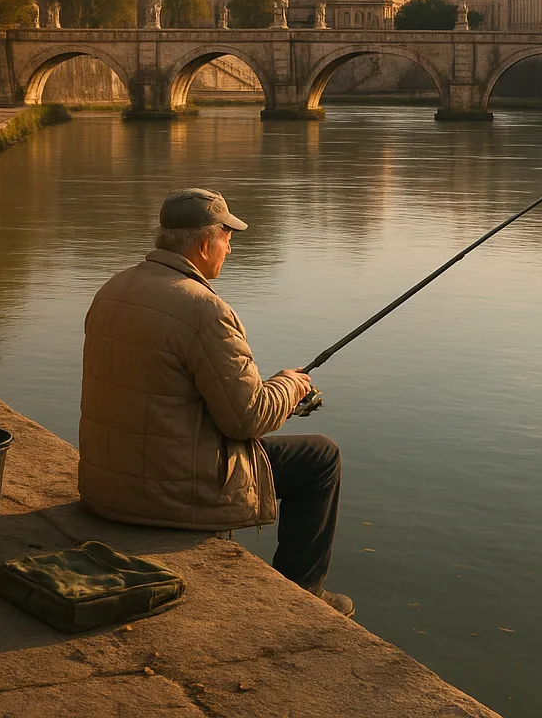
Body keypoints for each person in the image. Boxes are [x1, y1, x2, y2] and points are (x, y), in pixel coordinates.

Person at [78, 188, 353, 617]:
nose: (230, 247)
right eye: (228, 238)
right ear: (205, 244)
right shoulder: (205, 310)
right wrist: (290, 385)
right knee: (321, 457)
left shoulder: (113, 288)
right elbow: (248, 418)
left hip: (106, 486)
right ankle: (304, 595)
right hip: (166, 496)